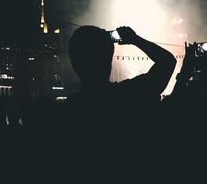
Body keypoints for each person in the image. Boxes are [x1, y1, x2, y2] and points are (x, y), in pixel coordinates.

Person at [64, 25, 176, 180]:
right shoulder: (129, 96)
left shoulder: (67, 112)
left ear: (74, 63)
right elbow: (167, 62)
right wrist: (135, 40)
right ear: (109, 59)